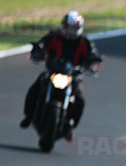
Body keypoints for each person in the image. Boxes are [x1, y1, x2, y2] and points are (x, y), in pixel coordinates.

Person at [20, 11, 102, 140]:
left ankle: (71, 125)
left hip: (73, 77)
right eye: (69, 27)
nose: (70, 31)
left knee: (80, 100)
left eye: (73, 28)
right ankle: (28, 116)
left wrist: (91, 67)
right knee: (35, 89)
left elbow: (94, 57)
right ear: (63, 25)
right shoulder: (53, 37)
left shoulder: (84, 42)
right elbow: (41, 45)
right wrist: (37, 53)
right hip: (52, 72)